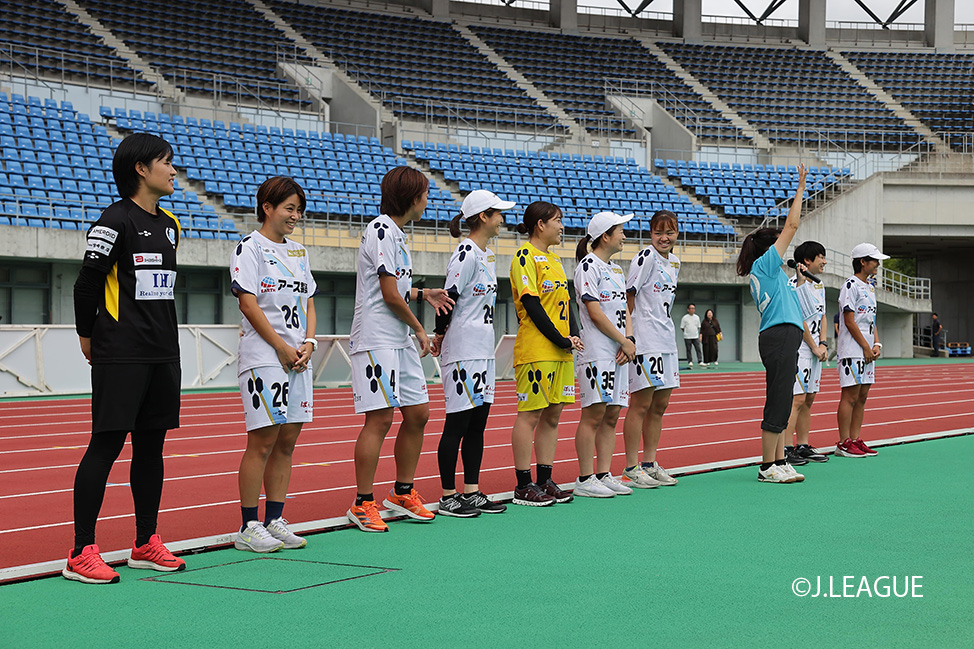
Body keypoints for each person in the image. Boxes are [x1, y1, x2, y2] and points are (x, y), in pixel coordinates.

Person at [65, 133, 186, 583]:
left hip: (162, 353)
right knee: (107, 446)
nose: (173, 170)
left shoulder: (171, 223)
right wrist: (87, 335)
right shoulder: (113, 221)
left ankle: (145, 543)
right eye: (166, 162)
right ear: (141, 168)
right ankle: (81, 551)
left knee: (151, 448)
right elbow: (86, 283)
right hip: (121, 351)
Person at [346, 166, 454, 532]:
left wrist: (425, 293)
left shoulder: (398, 235)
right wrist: (421, 329)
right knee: (379, 419)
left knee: (419, 413)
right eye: (425, 194)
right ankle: (362, 502)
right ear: (412, 197)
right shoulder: (380, 230)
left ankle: (402, 492)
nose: (427, 200)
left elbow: (396, 287)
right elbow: (388, 295)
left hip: (398, 337)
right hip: (377, 338)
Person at [230, 177, 317, 552]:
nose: (295, 216)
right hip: (265, 357)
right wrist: (281, 347)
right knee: (262, 441)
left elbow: (309, 301)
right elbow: (247, 303)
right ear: (267, 207)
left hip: (298, 358)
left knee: (288, 441)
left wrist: (309, 342)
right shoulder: (249, 248)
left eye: (299, 209)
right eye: (289, 208)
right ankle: (249, 525)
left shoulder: (299, 252)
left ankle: (275, 518)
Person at [430, 190, 513, 517]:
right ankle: (448, 496)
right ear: (483, 217)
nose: (502, 219)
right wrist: (439, 335)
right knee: (458, 422)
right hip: (462, 348)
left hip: (483, 349)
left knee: (478, 422)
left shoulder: (487, 254)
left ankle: (472, 491)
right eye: (497, 214)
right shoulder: (465, 253)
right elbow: (448, 298)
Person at [735, 164, 807, 484]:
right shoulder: (764, 264)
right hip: (778, 336)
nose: (784, 246)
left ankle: (780, 460)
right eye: (778, 243)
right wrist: (801, 187)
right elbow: (792, 224)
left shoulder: (773, 273)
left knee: (783, 396)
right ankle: (767, 467)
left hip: (783, 334)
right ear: (769, 249)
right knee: (778, 399)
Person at [510, 201, 583, 506]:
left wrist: (573, 335)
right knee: (530, 415)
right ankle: (523, 484)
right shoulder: (524, 256)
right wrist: (560, 339)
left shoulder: (554, 260)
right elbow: (532, 305)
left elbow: (567, 305)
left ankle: (544, 479)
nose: (562, 226)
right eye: (557, 221)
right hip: (537, 350)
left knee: (553, 416)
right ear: (540, 224)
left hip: (560, 352)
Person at [571, 211, 637, 498]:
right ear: (605, 236)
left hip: (619, 351)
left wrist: (629, 339)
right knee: (594, 413)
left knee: (612, 414)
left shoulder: (617, 270)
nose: (624, 235)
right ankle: (585, 478)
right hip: (597, 351)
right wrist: (623, 341)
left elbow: (624, 310)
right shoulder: (588, 266)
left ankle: (604, 473)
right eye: (620, 230)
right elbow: (594, 312)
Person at [621, 210, 682, 489]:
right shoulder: (645, 257)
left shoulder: (676, 263)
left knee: (660, 405)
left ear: (677, 233)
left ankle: (649, 462)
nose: (664, 238)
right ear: (650, 234)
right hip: (645, 340)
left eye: (669, 232)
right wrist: (628, 337)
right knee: (641, 404)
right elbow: (628, 296)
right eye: (658, 232)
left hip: (667, 340)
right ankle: (632, 467)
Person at [835, 242, 887, 458]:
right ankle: (844, 442)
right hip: (852, 351)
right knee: (850, 395)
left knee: (863, 396)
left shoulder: (870, 287)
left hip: (867, 350)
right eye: (874, 260)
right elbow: (849, 321)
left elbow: (870, 321)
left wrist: (876, 344)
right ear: (862, 262)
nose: (877, 264)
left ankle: (856, 439)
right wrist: (865, 347)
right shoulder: (850, 285)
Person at [783, 241, 830, 466]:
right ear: (806, 261)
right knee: (797, 399)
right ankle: (785, 448)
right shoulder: (793, 284)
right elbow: (799, 320)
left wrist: (823, 344)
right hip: (800, 349)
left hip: (816, 351)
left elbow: (822, 317)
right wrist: (812, 346)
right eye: (820, 256)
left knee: (809, 399)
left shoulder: (820, 286)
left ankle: (802, 445)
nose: (824, 261)